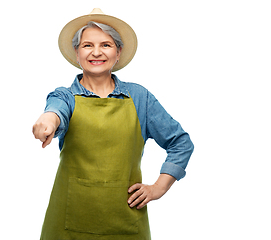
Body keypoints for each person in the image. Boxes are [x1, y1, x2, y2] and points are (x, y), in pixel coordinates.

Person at [33, 8, 194, 240]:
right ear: (77, 53)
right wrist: (47, 121)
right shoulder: (65, 96)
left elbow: (180, 143)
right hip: (69, 223)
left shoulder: (139, 98)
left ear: (118, 52)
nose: (96, 52)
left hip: (127, 222)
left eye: (106, 45)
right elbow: (55, 112)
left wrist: (158, 187)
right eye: (87, 45)